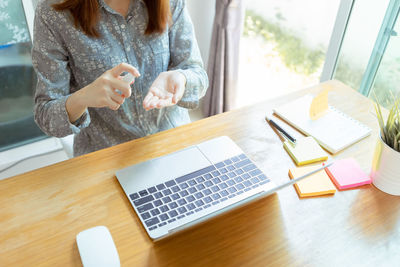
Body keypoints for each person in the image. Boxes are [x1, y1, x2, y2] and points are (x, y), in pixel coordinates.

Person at [32, 0, 208, 156]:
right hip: (106, 157)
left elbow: (198, 76)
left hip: (174, 145)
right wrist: (83, 97)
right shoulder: (53, 14)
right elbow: (46, 115)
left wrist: (182, 78)